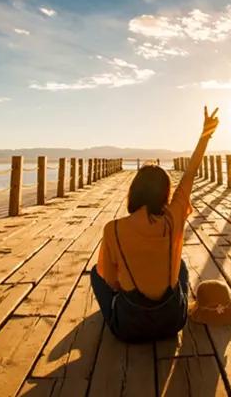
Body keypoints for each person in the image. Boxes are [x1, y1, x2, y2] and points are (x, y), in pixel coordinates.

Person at [90, 105, 219, 343]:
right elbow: (190, 174)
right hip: (172, 322)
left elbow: (110, 281)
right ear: (164, 194)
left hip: (129, 328)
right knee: (179, 264)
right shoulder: (172, 219)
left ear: (134, 191)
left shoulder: (113, 229)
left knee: (95, 274)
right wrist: (205, 136)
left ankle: (121, 310)